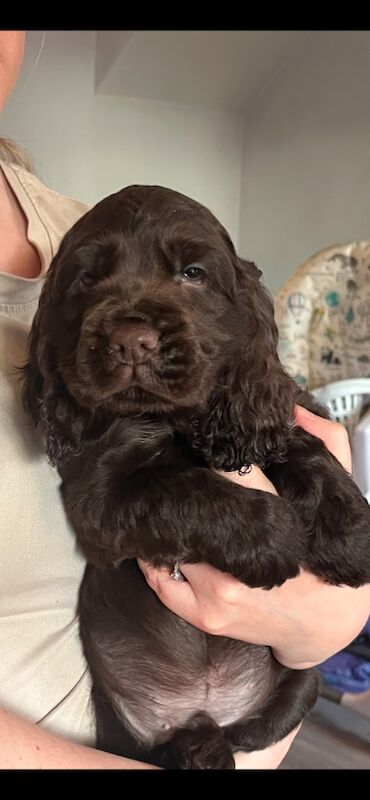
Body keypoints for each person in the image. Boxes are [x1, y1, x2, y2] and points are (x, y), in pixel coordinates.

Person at [0, 31, 369, 770]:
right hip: (126, 724)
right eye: (94, 283)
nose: (136, 331)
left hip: (264, 718)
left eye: (191, 276)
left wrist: (329, 615)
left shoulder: (77, 223)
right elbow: (107, 495)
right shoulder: (73, 350)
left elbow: (336, 583)